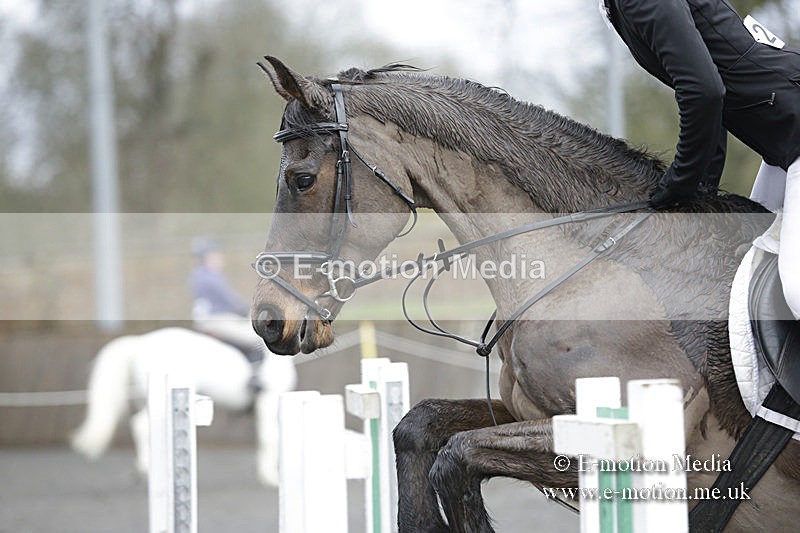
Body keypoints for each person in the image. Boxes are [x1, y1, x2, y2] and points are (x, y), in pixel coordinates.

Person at [599, 0, 800, 321]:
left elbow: (704, 93)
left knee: (796, 289)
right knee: (749, 266)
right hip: (785, 146)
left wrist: (680, 184)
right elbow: (711, 95)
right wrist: (701, 195)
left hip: (793, 133)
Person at [190, 237, 264, 362]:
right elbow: (231, 301)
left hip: (213, 318)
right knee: (255, 338)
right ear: (208, 257)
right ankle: (255, 374)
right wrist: (253, 310)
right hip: (218, 319)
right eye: (217, 254)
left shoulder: (199, 275)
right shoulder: (210, 278)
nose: (221, 257)